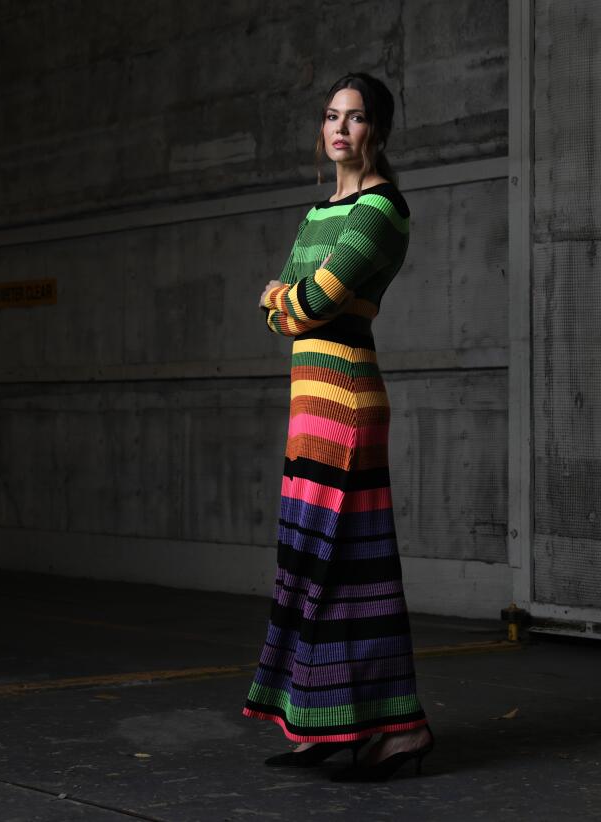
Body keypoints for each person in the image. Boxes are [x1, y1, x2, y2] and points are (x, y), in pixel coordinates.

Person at [242, 72, 434, 782]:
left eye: (354, 119)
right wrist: (286, 303)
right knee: (307, 567)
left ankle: (397, 734)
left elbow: (310, 300)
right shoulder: (322, 211)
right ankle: (323, 726)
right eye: (330, 116)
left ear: (376, 130)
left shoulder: (381, 209)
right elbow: (288, 310)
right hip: (308, 405)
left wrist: (280, 298)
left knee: (345, 572)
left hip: (345, 403)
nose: (339, 129)